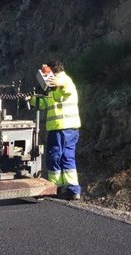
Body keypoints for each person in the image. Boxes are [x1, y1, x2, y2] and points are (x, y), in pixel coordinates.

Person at [42, 60, 82, 200]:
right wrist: (31, 99)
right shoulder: (54, 88)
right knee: (67, 158)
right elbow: (45, 102)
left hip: (60, 128)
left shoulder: (64, 80)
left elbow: (65, 85)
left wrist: (57, 82)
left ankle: (56, 188)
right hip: (70, 128)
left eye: (47, 72)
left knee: (54, 156)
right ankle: (73, 190)